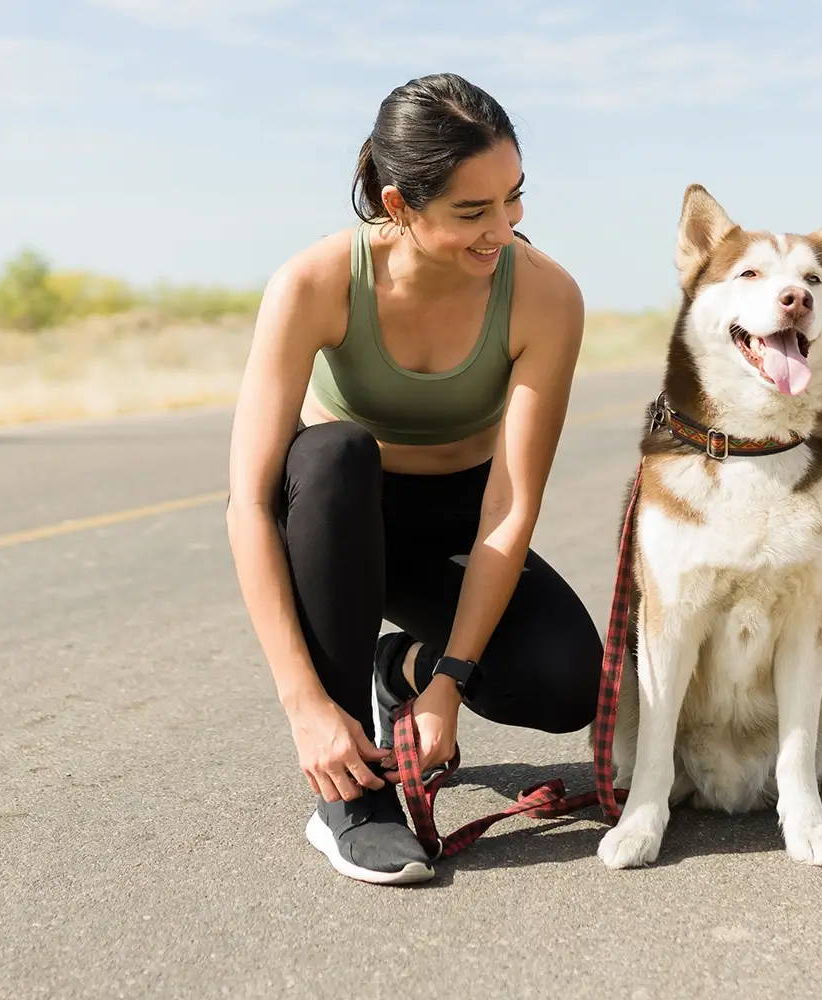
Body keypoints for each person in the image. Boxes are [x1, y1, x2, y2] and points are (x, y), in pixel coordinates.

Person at [225, 73, 602, 885]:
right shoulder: (314, 283)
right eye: (472, 211)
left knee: (568, 683)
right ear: (398, 205)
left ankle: (400, 671)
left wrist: (449, 682)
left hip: (458, 518)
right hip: (334, 515)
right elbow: (250, 504)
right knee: (334, 453)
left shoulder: (545, 296)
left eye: (514, 198)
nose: (502, 229)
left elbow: (509, 506)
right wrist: (304, 707)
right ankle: (350, 802)